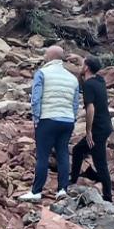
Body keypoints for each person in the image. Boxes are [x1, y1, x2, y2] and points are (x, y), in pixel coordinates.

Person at [18, 45, 80, 202]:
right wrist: (72, 118)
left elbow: (36, 98)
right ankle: (62, 189)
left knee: (43, 156)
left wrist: (36, 118)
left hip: (48, 119)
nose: (44, 56)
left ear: (51, 56)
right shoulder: (73, 78)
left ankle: (36, 191)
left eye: (46, 54)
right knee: (63, 154)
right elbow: (75, 103)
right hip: (67, 121)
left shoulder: (42, 73)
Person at [69, 54, 114, 202]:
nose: (81, 66)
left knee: (100, 162)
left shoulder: (88, 85)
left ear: (87, 67)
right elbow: (86, 71)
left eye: (83, 64)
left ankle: (108, 198)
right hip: (106, 125)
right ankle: (74, 180)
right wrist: (79, 58)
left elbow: (90, 108)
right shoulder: (99, 80)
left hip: (98, 129)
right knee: (78, 150)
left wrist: (88, 131)